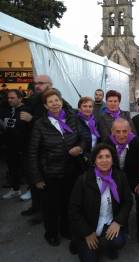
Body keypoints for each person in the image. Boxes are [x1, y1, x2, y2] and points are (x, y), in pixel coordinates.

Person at [28, 89, 85, 246]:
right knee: (51, 207)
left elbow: (83, 138)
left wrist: (80, 148)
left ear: (61, 101)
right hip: (50, 173)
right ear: (46, 106)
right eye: (50, 102)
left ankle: (66, 229)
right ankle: (51, 233)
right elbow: (33, 152)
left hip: (71, 171)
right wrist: (37, 178)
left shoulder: (72, 118)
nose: (55, 104)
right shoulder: (41, 124)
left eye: (57, 100)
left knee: (69, 203)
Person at [69, 144, 133, 262]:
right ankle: (83, 244)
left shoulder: (120, 177)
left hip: (108, 224)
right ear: (94, 161)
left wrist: (118, 221)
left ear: (113, 159)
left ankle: (105, 246)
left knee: (119, 241)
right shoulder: (83, 180)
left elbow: (128, 201)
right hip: (89, 228)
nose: (104, 160)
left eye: (108, 156)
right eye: (100, 157)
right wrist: (87, 232)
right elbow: (73, 209)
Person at [108, 118, 139, 244]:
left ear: (129, 130)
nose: (121, 135)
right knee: (116, 200)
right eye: (118, 131)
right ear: (112, 131)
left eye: (124, 131)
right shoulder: (108, 142)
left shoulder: (137, 142)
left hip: (134, 177)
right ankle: (120, 227)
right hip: (115, 177)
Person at [0, 90, 31, 199]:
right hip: (9, 146)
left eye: (12, 98)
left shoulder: (27, 110)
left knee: (28, 170)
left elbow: (34, 128)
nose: (9, 100)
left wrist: (31, 120)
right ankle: (15, 189)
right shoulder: (5, 110)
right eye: (8, 98)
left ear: (20, 98)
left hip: (24, 147)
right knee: (13, 169)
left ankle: (31, 190)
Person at [77, 97, 102, 170]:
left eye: (90, 106)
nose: (88, 108)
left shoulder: (95, 121)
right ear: (79, 108)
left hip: (94, 156)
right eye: (84, 106)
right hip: (81, 159)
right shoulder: (75, 121)